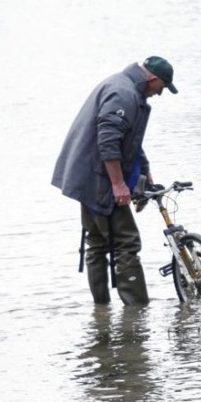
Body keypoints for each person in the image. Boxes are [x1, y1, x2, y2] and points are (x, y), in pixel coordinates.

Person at [52, 56, 178, 305]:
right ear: (152, 79)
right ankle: (137, 312)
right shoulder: (123, 93)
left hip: (87, 176)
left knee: (97, 242)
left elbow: (129, 142)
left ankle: (102, 312)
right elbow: (108, 141)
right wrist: (119, 184)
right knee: (127, 241)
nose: (160, 94)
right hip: (98, 179)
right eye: (162, 88)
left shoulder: (126, 87)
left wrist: (146, 172)